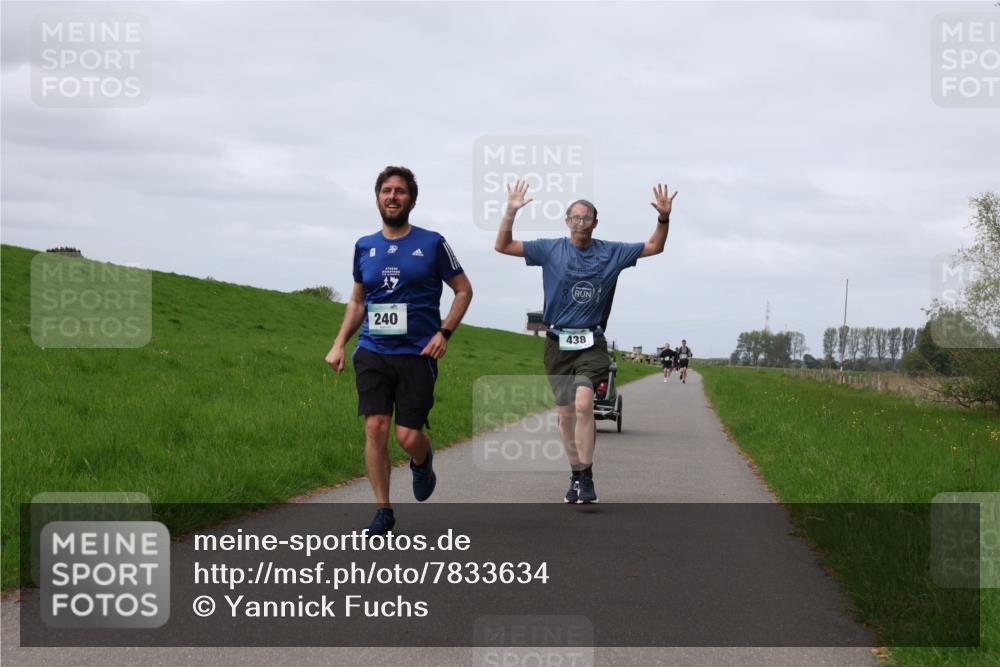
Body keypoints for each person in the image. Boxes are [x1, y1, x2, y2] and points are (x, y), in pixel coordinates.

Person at [495, 180, 677, 503]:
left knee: (583, 405)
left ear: (595, 223)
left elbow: (655, 247)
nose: (581, 223)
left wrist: (663, 219)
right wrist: (510, 212)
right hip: (557, 342)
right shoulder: (550, 249)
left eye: (587, 218)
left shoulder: (611, 252)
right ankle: (577, 472)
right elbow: (504, 246)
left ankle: (587, 475)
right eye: (575, 218)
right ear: (567, 222)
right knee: (565, 415)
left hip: (592, 342)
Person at [326, 166, 473, 535]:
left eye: (400, 192)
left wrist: (444, 333)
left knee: (407, 437)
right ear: (378, 197)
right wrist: (339, 342)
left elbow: (463, 290)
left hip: (418, 353)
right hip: (373, 349)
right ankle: (383, 511)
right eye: (386, 191)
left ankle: (422, 460)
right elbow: (358, 301)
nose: (393, 197)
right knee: (375, 427)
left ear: (412, 199)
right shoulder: (364, 246)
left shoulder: (433, 242)